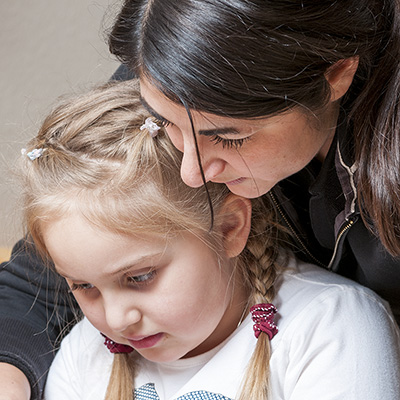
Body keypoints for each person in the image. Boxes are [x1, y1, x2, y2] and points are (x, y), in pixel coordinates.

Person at [1, 0, 400, 398]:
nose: (190, 171)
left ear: (337, 74)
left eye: (229, 137)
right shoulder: (175, 66)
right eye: (165, 123)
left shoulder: (336, 326)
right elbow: (35, 284)